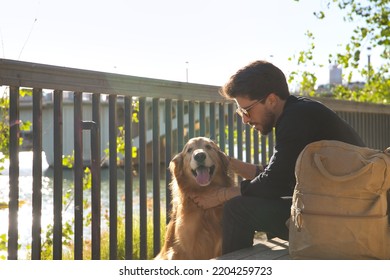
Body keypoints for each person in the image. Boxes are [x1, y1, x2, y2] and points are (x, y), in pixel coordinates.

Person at [191, 60, 365, 254]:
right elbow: (277, 173)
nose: (245, 119)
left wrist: (220, 196)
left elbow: (273, 183)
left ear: (271, 100)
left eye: (247, 110)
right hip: (346, 211)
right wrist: (228, 162)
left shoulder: (295, 119)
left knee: (237, 209)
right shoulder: (300, 111)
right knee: (263, 197)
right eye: (241, 112)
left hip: (340, 222)